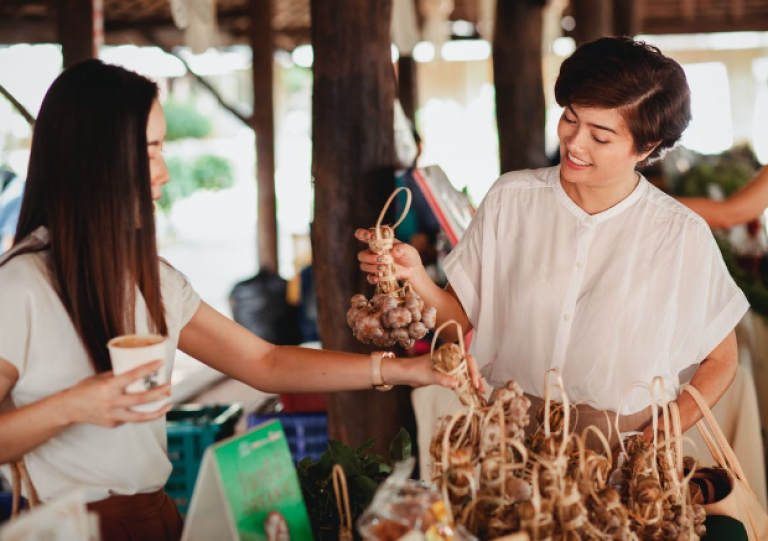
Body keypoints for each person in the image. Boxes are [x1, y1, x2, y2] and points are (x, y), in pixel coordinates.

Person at [0, 60, 481, 541]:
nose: (163, 173)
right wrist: (73, 406)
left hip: (156, 520)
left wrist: (406, 371)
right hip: (63, 528)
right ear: (93, 158)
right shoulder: (21, 286)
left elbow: (264, 361)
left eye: (161, 149)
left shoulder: (154, 280)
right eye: (148, 152)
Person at [358, 37, 748, 451]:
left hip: (622, 445)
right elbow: (455, 323)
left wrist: (666, 429)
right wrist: (415, 276)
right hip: (509, 437)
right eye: (570, 118)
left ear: (646, 146)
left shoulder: (679, 234)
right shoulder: (512, 199)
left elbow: (722, 360)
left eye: (600, 137)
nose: (575, 144)